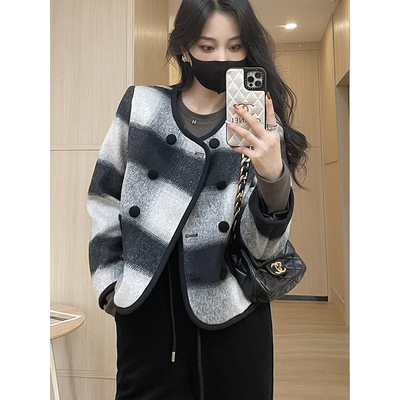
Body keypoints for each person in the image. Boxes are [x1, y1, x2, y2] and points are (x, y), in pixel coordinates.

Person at [87, 0, 309, 399]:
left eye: (235, 46)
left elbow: (264, 250)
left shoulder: (259, 127)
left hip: (232, 315)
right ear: (184, 48)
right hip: (146, 312)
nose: (222, 58)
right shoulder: (141, 106)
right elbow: (104, 198)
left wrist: (273, 176)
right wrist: (111, 286)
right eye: (208, 47)